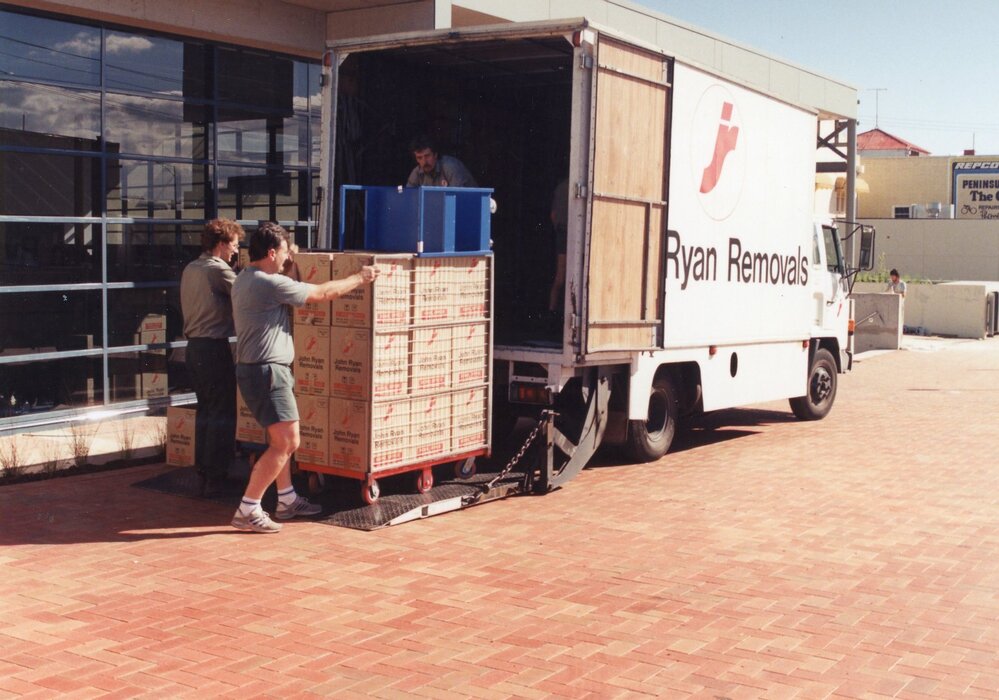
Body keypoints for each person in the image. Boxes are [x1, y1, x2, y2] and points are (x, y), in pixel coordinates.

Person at [230, 222, 379, 533]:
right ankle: (248, 508)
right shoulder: (268, 284)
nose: (288, 257)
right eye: (285, 252)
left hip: (258, 370)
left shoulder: (246, 278)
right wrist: (360, 277)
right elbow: (322, 293)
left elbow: (284, 282)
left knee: (279, 440)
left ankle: (286, 499)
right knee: (288, 441)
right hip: (269, 372)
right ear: (271, 253)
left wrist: (289, 263)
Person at [180, 218, 243, 498]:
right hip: (213, 348)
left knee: (206, 409)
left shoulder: (191, 268)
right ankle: (216, 474)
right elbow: (246, 292)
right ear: (221, 244)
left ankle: (204, 470)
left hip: (194, 348)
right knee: (222, 411)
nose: (236, 251)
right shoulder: (217, 270)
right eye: (234, 245)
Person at [406, 134, 477, 188]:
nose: (424, 161)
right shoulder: (416, 172)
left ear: (435, 155)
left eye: (427, 156)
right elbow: (408, 197)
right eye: (419, 158)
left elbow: (457, 197)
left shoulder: (450, 167)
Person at [548, 178, 569, 313]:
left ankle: (551, 311)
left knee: (560, 277)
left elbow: (553, 215)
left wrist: (558, 229)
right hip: (568, 232)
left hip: (562, 233)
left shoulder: (560, 187)